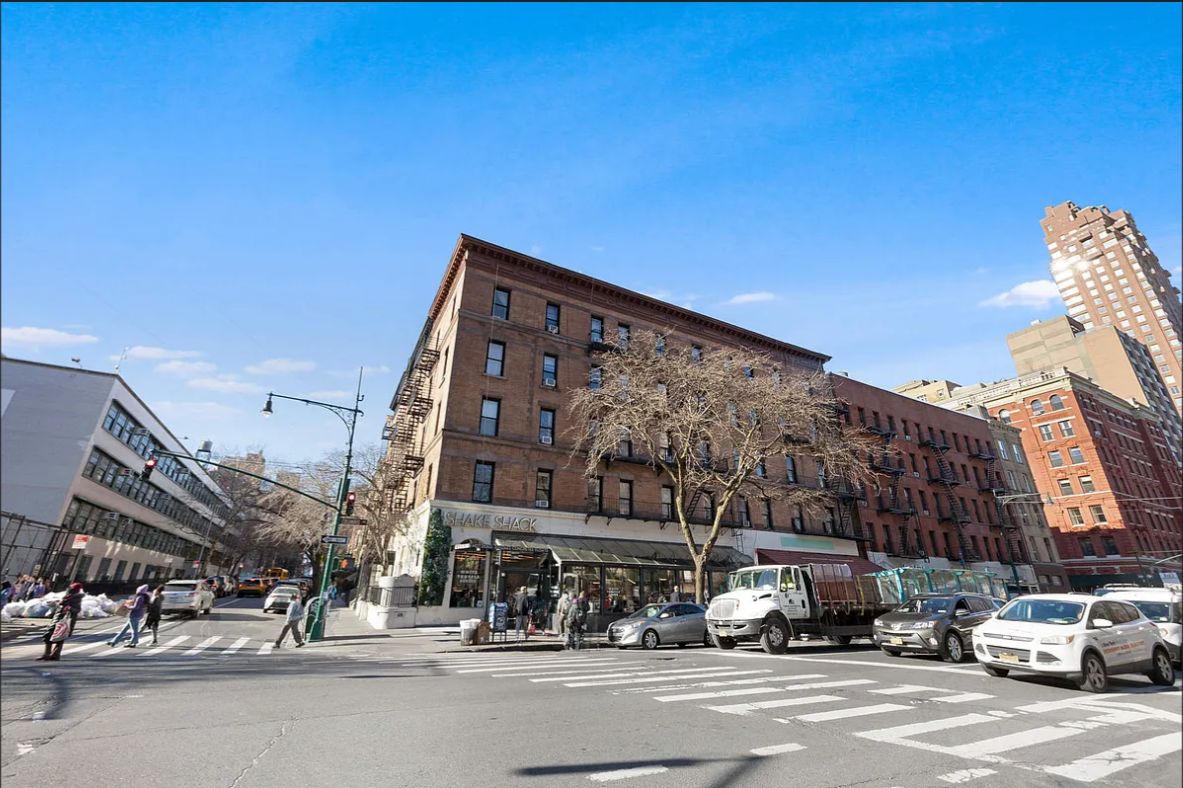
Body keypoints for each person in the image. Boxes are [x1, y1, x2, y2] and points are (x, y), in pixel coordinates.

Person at [37, 582, 84, 661]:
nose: (69, 590)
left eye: (71, 589)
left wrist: (69, 608)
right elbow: (61, 605)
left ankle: (52, 654)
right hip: (59, 618)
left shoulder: (76, 598)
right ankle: (52, 654)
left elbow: (77, 610)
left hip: (65, 620)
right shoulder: (68, 596)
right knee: (53, 636)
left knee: (54, 636)